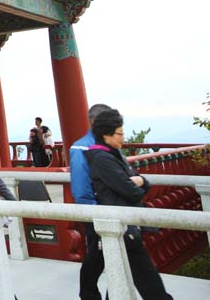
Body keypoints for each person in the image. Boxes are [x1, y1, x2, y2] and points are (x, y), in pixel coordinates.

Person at [85, 108, 172, 299]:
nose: (123, 138)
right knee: (147, 278)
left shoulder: (113, 154)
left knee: (124, 274)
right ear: (106, 134)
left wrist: (140, 181)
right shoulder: (102, 159)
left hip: (125, 224)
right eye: (119, 133)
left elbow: (139, 182)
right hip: (122, 224)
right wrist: (138, 182)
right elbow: (132, 191)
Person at [69, 103, 113, 300]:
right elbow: (81, 188)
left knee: (115, 258)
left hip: (113, 210)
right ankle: (88, 295)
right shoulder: (81, 147)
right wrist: (94, 213)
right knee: (97, 257)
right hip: (97, 211)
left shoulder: (108, 145)